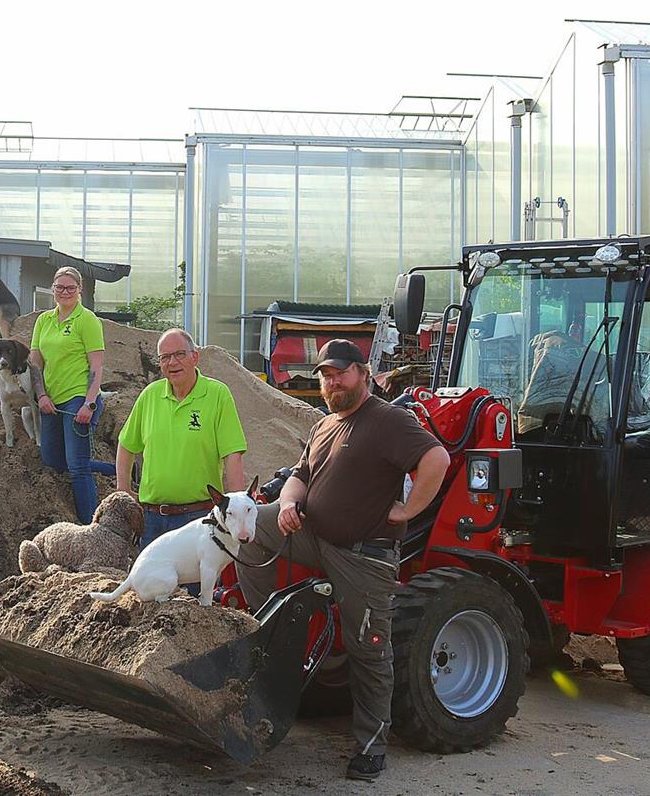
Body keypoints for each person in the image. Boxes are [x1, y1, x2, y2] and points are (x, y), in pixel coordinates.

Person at [235, 339, 450, 782]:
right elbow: (299, 475)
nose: (333, 382)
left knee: (368, 648)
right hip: (315, 536)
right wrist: (289, 504)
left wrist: (408, 511)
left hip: (364, 555)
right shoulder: (325, 424)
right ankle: (272, 628)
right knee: (249, 533)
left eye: (341, 373)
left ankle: (371, 747)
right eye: (327, 376)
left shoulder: (388, 420)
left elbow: (437, 458)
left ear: (363, 374)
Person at [116, 328, 247, 549]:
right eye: (165, 357)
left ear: (195, 357)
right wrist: (123, 490)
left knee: (199, 574)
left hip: (198, 518)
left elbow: (232, 456)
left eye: (179, 354)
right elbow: (126, 444)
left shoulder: (217, 395)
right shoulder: (150, 396)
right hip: (153, 520)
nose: (172, 362)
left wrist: (238, 509)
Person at [30, 266, 116, 523]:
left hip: (78, 398)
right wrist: (41, 395)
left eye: (70, 287)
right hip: (51, 400)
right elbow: (35, 363)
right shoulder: (43, 320)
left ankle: (89, 526)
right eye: (60, 287)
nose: (64, 292)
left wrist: (89, 403)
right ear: (52, 289)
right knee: (53, 461)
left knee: (78, 467)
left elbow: (96, 366)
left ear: (80, 289)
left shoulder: (87, 320)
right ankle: (116, 469)